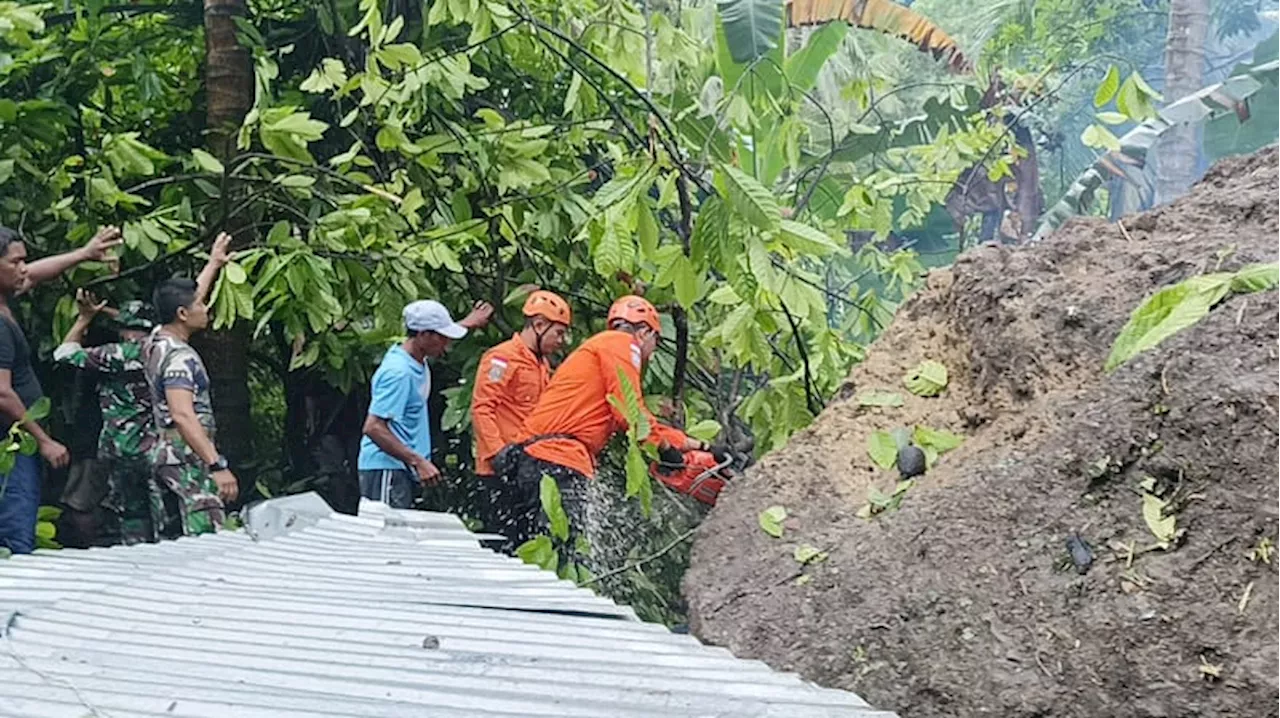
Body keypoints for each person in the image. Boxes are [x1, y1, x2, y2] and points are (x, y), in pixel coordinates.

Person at [497, 295, 712, 548]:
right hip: (556, 460)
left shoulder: (606, 346)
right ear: (644, 331)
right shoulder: (624, 344)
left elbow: (633, 414)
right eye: (656, 341)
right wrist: (665, 451)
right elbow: (631, 417)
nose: (653, 353)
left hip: (537, 458)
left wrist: (696, 445)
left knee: (531, 548)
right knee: (564, 549)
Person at [0, 225, 123, 554]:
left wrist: (85, 253)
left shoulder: (6, 299)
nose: (24, 269)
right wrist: (43, 440)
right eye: (15, 262)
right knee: (14, 533)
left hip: (15, 441)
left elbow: (33, 275)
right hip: (9, 445)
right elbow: (2, 392)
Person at [142, 232, 236, 538]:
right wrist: (216, 465)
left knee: (172, 541)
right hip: (189, 457)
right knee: (206, 539)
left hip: (164, 453)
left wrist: (213, 263)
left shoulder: (156, 341)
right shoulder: (181, 358)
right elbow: (182, 414)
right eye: (201, 305)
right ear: (183, 314)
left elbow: (188, 299)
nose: (205, 308)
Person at [358, 299, 492, 509]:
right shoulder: (399, 373)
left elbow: (439, 336)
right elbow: (373, 427)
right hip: (386, 468)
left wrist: (468, 323)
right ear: (423, 335)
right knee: (385, 536)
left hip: (402, 468)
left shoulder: (417, 356)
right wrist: (418, 462)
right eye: (443, 338)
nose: (447, 345)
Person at [53, 292, 158, 545]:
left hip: (120, 446)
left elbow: (64, 353)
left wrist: (85, 319)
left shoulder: (116, 354)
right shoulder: (166, 351)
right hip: (158, 447)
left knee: (131, 513)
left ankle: (135, 553)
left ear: (123, 330)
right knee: (162, 512)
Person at [469, 290, 572, 543]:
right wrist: (498, 454)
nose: (562, 340)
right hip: (498, 471)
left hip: (528, 468)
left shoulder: (542, 365)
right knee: (501, 542)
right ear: (538, 325)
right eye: (558, 332)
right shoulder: (502, 358)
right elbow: (483, 409)